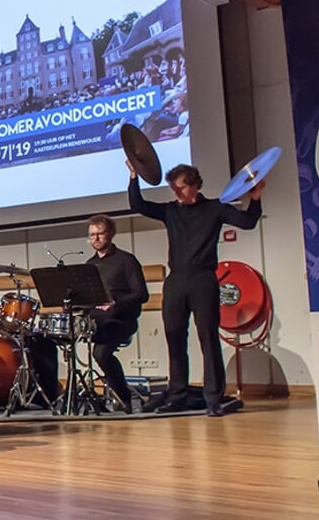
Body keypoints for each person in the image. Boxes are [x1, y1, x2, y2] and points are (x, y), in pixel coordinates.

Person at [129, 162, 263, 416]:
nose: (175, 193)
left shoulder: (215, 208)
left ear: (194, 186)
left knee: (208, 337)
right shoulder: (170, 211)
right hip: (177, 279)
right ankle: (178, 394)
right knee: (174, 335)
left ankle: (213, 397)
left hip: (203, 279)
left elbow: (247, 222)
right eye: (173, 189)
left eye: (179, 188)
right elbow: (138, 205)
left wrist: (254, 200)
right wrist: (134, 177)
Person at [84, 215, 148, 413]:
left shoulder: (126, 260)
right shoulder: (89, 264)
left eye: (99, 234)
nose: (95, 239)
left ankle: (126, 398)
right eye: (91, 235)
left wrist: (115, 303)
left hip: (121, 319)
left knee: (101, 353)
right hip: (97, 320)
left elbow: (141, 294)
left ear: (110, 234)